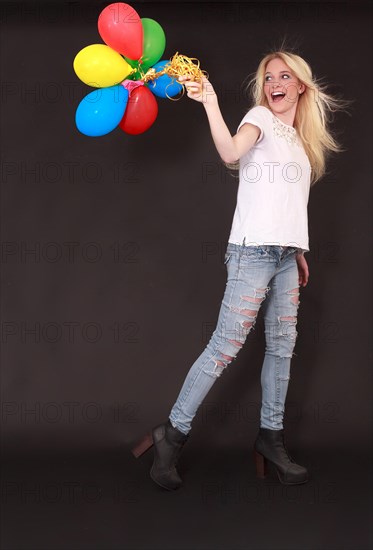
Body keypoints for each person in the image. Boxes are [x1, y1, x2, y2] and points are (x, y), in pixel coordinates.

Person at [131, 47, 350, 490]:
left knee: (282, 347)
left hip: (286, 255)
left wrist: (298, 249)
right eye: (269, 77)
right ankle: (171, 435)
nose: (275, 84)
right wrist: (210, 100)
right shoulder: (260, 118)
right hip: (253, 253)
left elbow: (288, 202)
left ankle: (271, 438)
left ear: (300, 86)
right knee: (225, 346)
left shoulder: (299, 139)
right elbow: (231, 152)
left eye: (284, 77)